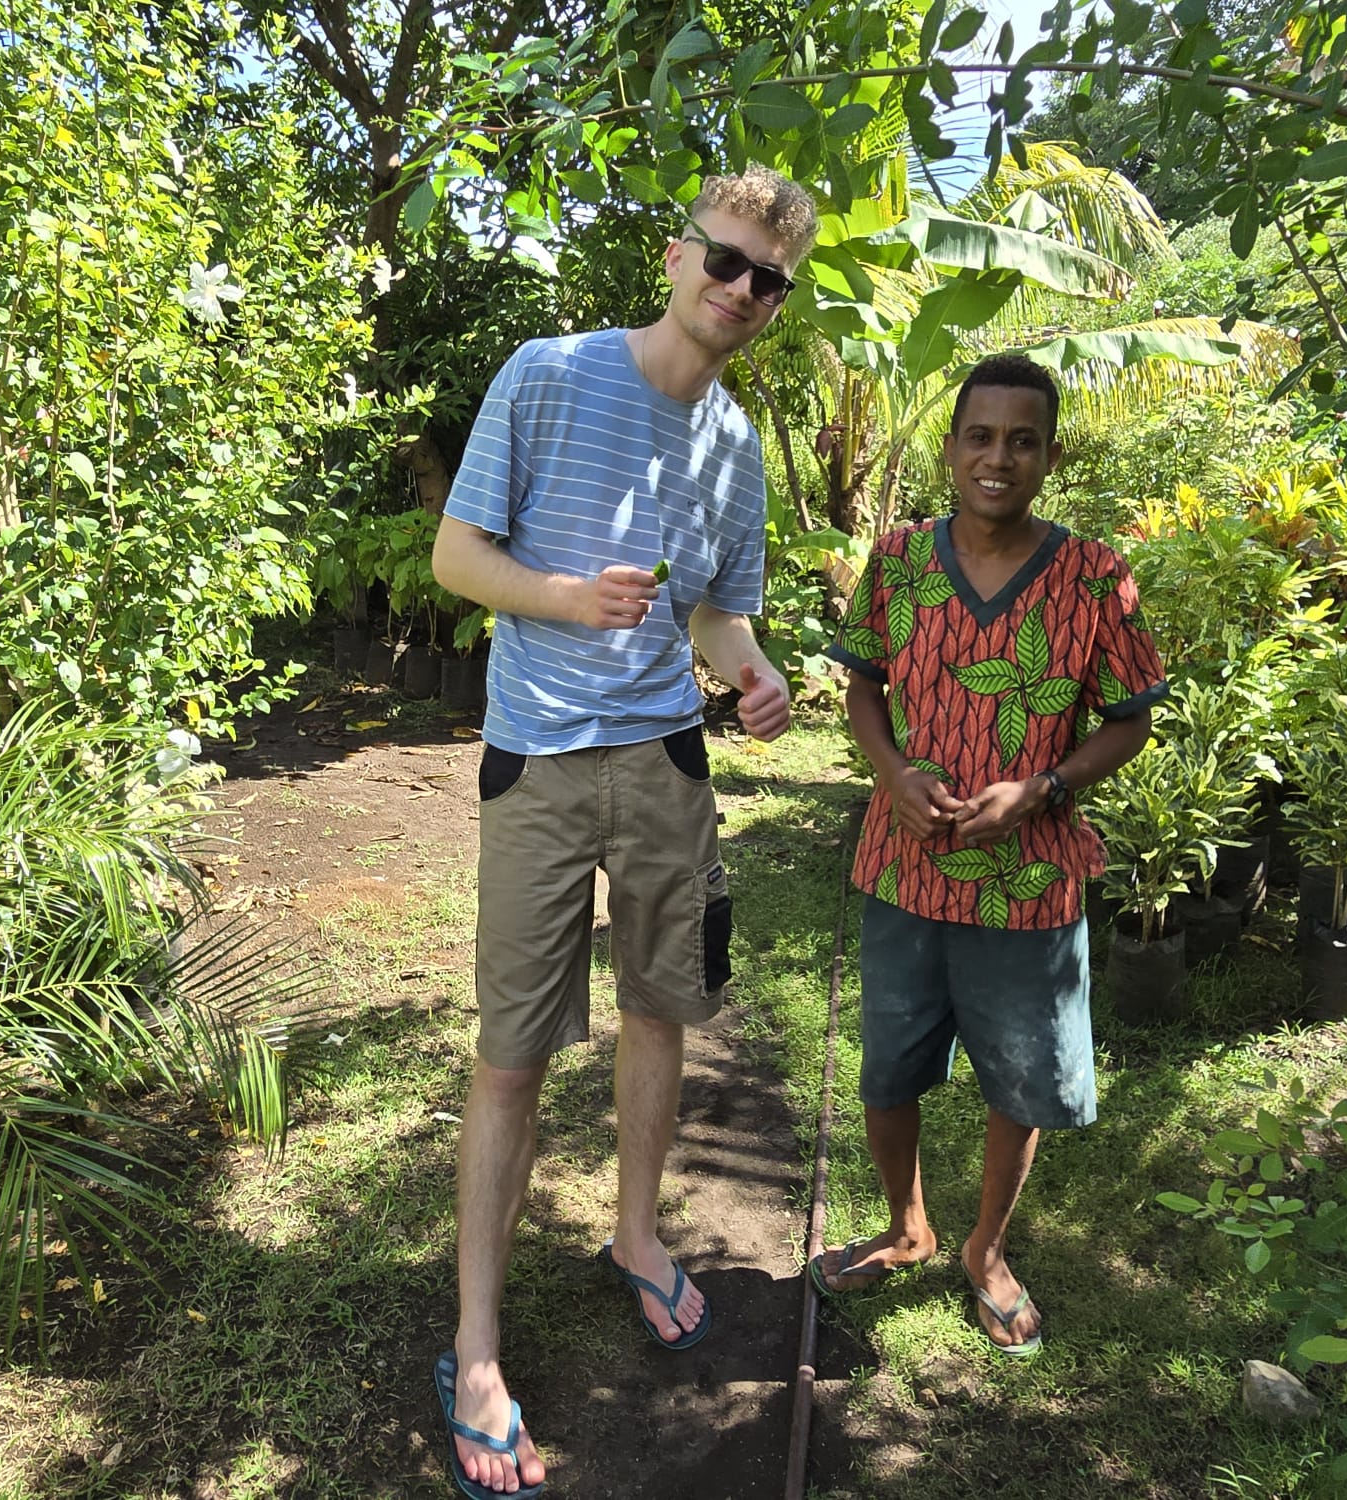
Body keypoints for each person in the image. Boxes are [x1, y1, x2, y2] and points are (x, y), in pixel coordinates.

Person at [428, 164, 820, 1498]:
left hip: (664, 763)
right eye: (725, 262)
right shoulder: (547, 373)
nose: (741, 292)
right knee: (512, 1053)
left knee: (664, 1010)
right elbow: (455, 557)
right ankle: (475, 1347)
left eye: (766, 281)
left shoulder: (735, 446)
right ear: (675, 257)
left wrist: (750, 671)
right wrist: (560, 595)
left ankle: (638, 1237)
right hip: (535, 762)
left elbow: (714, 613)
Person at [812, 353, 1166, 1356]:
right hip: (903, 869)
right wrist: (891, 774)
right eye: (979, 436)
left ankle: (984, 1251)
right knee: (889, 1070)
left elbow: (1129, 719)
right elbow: (862, 687)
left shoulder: (1094, 576)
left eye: (1020, 440)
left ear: (1048, 456)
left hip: (1030, 886)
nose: (996, 457)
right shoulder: (897, 559)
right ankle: (904, 1226)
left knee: (1021, 1082)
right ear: (951, 447)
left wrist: (1042, 789)